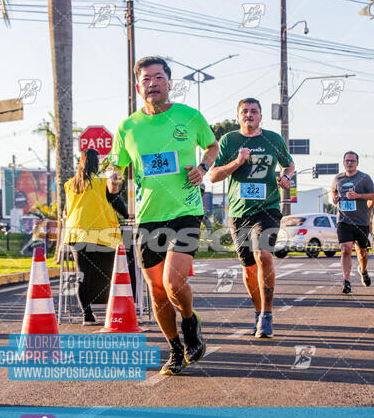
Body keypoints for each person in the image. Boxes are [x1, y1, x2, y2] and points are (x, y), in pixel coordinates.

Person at [110, 56, 219, 375]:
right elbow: (115, 162)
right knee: (157, 291)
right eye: (146, 79)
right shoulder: (128, 127)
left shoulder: (189, 116)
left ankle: (189, 322)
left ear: (169, 83)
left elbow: (212, 147)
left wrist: (202, 169)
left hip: (185, 211)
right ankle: (174, 348)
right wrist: (112, 176)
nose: (152, 83)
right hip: (147, 216)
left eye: (158, 77)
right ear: (137, 87)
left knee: (173, 282)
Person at [209, 97, 294, 338]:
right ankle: (258, 313)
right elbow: (213, 176)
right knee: (248, 269)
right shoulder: (229, 140)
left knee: (263, 254)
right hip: (238, 212)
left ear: (260, 116)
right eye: (244, 111)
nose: (249, 115)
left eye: (254, 111)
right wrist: (238, 162)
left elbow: (289, 164)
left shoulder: (273, 139)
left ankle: (267, 315)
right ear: (238, 116)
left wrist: (287, 177)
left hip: (267, 208)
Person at [64, 149, 123, 325]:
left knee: (82, 275)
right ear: (96, 163)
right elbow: (115, 200)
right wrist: (127, 214)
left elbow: (69, 209)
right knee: (112, 272)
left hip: (76, 231)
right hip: (100, 232)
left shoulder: (70, 184)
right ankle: (114, 312)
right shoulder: (102, 181)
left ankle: (87, 315)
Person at [331, 151, 374, 294]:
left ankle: (363, 270)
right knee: (345, 249)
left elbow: (373, 194)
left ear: (357, 163)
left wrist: (358, 196)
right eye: (347, 160)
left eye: (352, 161)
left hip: (361, 221)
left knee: (362, 253)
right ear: (343, 162)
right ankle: (346, 281)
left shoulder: (364, 178)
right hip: (343, 220)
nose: (349, 163)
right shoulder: (338, 178)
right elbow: (333, 191)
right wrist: (335, 198)